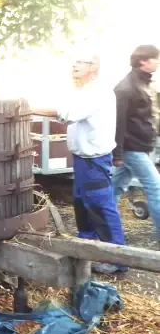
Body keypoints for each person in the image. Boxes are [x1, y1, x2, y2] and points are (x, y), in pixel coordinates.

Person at [33, 52, 126, 274]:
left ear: (93, 67)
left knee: (100, 206)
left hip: (95, 159)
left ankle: (118, 257)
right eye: (74, 61)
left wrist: (29, 109)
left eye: (81, 62)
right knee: (81, 204)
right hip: (83, 159)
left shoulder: (98, 92)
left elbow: (68, 113)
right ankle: (86, 247)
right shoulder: (82, 90)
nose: (74, 65)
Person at [112, 45, 160, 246]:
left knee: (113, 188)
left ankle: (102, 227)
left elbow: (150, 117)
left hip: (144, 146)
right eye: (155, 58)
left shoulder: (147, 84)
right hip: (132, 148)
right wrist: (118, 154)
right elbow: (118, 123)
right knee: (156, 188)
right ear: (143, 61)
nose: (158, 62)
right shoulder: (125, 88)